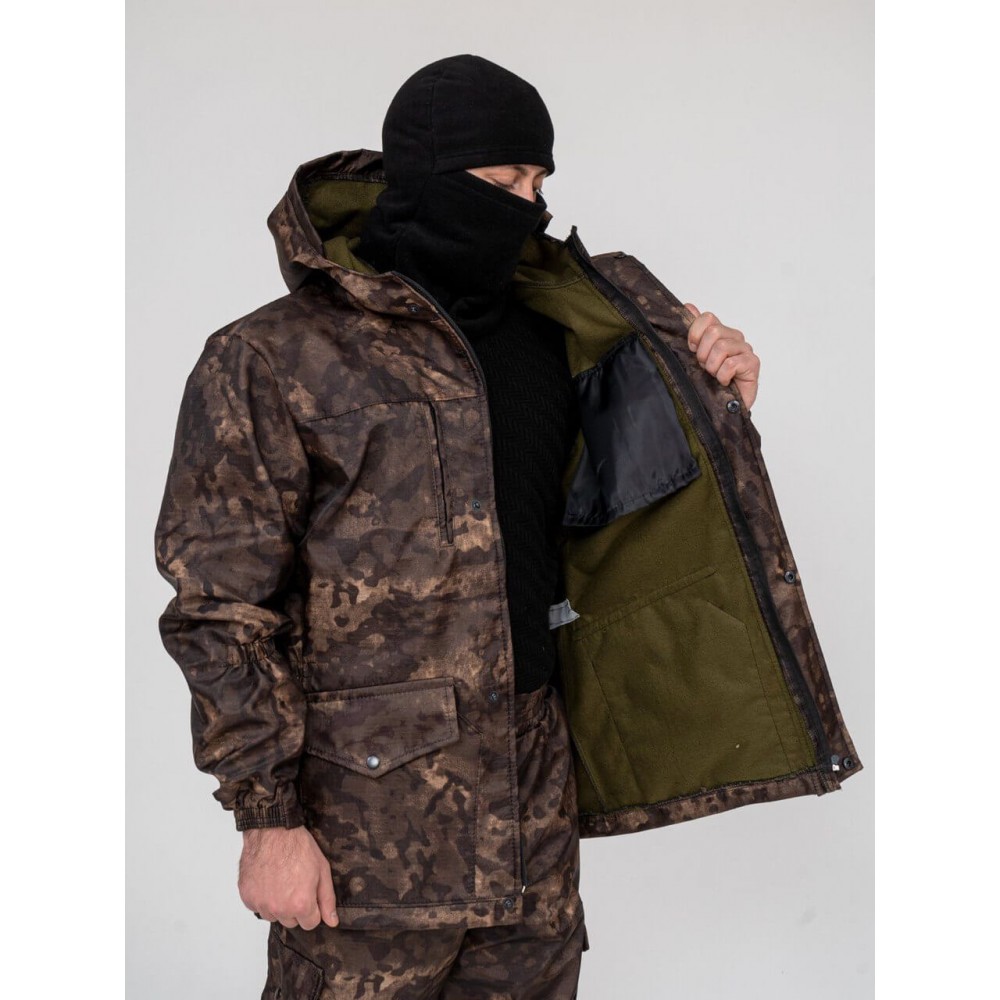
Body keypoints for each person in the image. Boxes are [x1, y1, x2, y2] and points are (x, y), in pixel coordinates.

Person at [155, 53, 860, 1000]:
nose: (529, 207)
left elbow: (626, 520)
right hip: (366, 834)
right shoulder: (273, 359)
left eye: (539, 181)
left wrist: (718, 397)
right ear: (428, 180)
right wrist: (266, 820)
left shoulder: (557, 332)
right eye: (505, 180)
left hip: (532, 811)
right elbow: (219, 610)